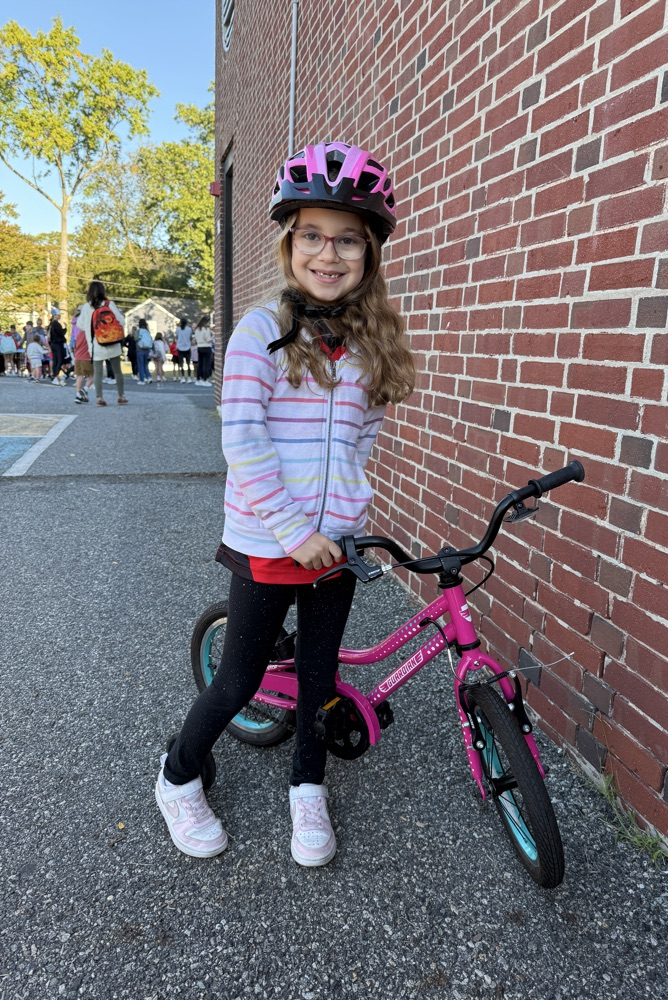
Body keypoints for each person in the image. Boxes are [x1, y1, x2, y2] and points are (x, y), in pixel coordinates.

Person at [155, 141, 415, 866]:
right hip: (272, 541)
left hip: (335, 545)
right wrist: (295, 529)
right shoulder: (260, 335)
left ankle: (307, 786)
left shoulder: (370, 345)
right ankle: (177, 775)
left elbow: (361, 438)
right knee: (238, 679)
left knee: (320, 678)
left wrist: (345, 516)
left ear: (369, 252)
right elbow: (245, 443)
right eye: (312, 236)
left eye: (347, 240)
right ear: (289, 241)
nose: (328, 254)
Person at [78, 281, 128, 406]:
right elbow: (121, 322)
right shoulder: (109, 304)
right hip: (112, 341)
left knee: (98, 371)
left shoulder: (86, 307)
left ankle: (99, 398)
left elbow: (80, 324)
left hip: (96, 344)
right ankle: (120, 396)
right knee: (117, 370)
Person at [72, 304, 94, 403]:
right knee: (93, 374)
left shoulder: (79, 334)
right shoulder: (89, 334)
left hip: (78, 357)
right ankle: (84, 389)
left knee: (79, 376)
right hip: (87, 357)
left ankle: (78, 395)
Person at [48, 308, 67, 386]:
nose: (59, 317)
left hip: (53, 344)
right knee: (60, 360)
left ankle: (54, 376)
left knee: (55, 360)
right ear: (54, 316)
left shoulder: (51, 324)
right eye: (58, 315)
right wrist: (65, 328)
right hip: (58, 344)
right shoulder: (56, 324)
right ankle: (56, 376)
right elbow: (61, 333)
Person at [193, 316, 212, 384]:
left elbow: (195, 338)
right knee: (206, 364)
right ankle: (205, 379)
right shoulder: (206, 329)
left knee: (200, 363)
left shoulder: (197, 329)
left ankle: (198, 378)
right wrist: (212, 337)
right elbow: (208, 339)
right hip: (206, 346)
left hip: (199, 346)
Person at [135, 318, 153, 384]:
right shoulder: (147, 331)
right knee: (145, 365)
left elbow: (135, 338)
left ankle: (142, 380)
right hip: (147, 349)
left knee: (140, 365)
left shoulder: (138, 331)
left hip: (140, 350)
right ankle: (149, 377)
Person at [174, 318, 192, 382]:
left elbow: (176, 337)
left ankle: (183, 377)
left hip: (180, 348)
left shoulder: (178, 329)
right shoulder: (189, 329)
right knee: (188, 363)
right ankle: (189, 377)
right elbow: (190, 338)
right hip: (187, 347)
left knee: (181, 363)